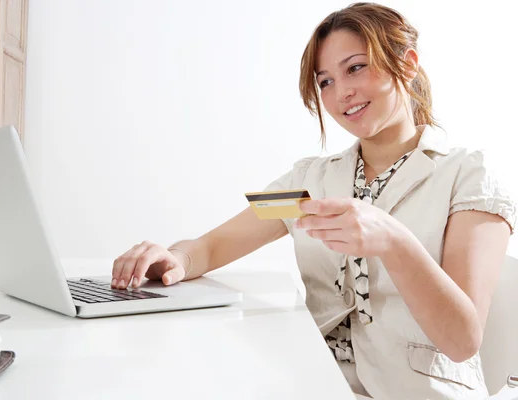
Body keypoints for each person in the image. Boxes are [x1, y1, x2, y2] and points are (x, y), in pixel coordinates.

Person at [110, 3, 516, 399]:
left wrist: (394, 241)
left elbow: (463, 340)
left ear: (407, 64)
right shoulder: (310, 181)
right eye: (325, 81)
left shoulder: (470, 176)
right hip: (314, 382)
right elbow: (212, 245)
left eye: (355, 67)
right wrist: (176, 259)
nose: (342, 93)